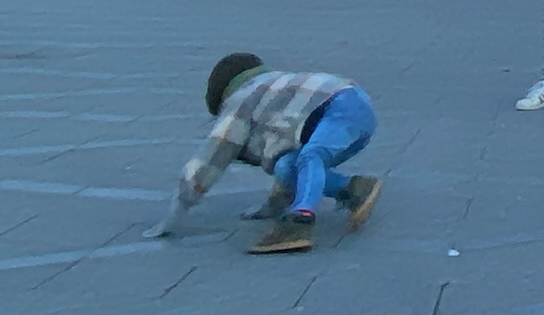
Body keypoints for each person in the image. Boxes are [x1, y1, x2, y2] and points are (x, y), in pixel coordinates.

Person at [145, 52, 381, 255]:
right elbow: (283, 160)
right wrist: (271, 208)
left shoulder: (241, 100)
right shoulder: (273, 93)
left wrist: (180, 205)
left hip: (340, 104)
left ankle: (301, 219)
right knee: (287, 166)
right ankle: (354, 188)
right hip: (350, 106)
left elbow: (214, 153)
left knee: (312, 156)